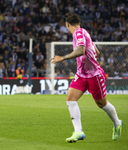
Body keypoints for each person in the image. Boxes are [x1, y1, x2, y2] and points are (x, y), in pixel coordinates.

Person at [50, 12, 123, 143]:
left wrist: (63, 58)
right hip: (81, 74)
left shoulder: (78, 33)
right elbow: (96, 51)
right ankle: (78, 131)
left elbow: (82, 50)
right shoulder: (84, 33)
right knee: (70, 98)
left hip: (94, 75)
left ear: (67, 25)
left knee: (102, 104)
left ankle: (117, 123)